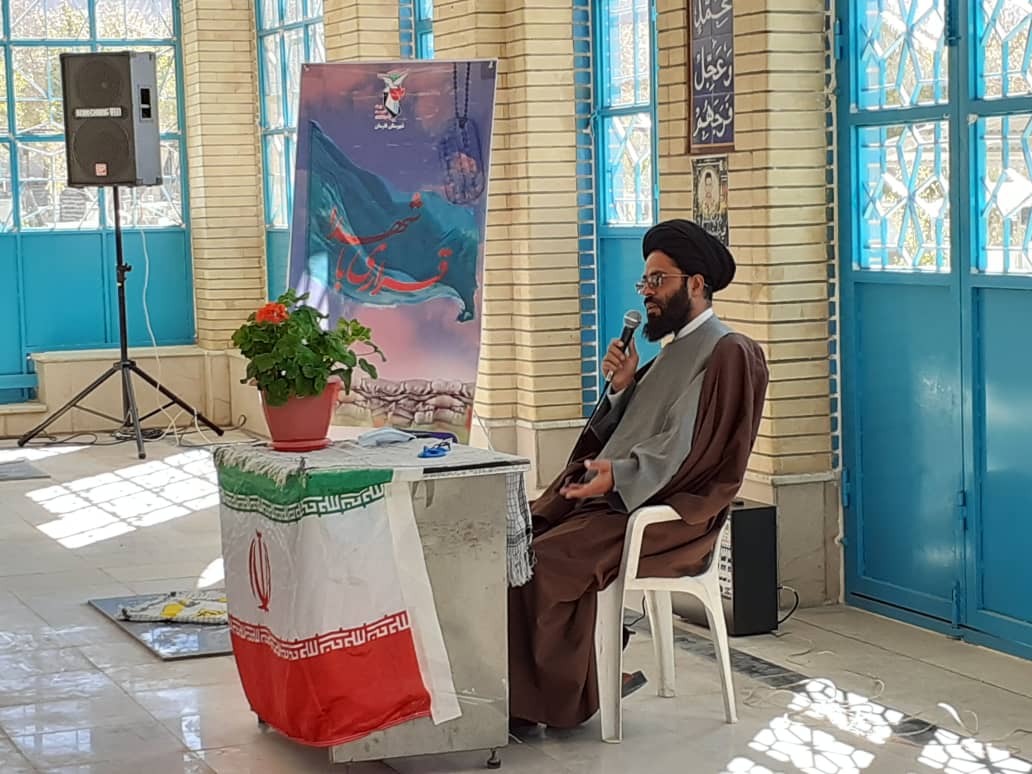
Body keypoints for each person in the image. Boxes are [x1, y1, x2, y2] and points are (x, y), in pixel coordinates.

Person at [507, 218, 769, 730]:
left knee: (542, 563)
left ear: (696, 284)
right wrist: (624, 387)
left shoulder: (728, 351)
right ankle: (547, 683)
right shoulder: (672, 351)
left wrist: (620, 476)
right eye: (644, 281)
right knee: (516, 545)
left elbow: (692, 449)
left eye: (658, 280)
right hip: (620, 501)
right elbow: (630, 432)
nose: (647, 292)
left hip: (669, 517)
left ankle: (562, 696)